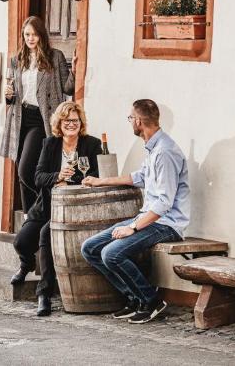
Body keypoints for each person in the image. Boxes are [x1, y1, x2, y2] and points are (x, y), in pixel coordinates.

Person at [80, 99, 189, 324]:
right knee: (90, 248)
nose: (130, 122)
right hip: (149, 218)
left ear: (139, 121)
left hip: (167, 224)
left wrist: (132, 227)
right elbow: (139, 177)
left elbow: (164, 203)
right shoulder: (153, 148)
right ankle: (134, 298)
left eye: (131, 118)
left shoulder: (165, 152)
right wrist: (101, 181)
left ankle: (151, 300)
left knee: (111, 254)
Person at [12, 101, 100, 317]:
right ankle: (26, 264)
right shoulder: (50, 144)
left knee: (46, 235)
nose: (72, 124)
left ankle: (44, 294)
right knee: (21, 241)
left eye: (75, 120)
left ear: (81, 123)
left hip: (71, 209)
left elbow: (96, 175)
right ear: (59, 123)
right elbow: (38, 176)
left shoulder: (92, 144)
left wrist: (79, 180)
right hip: (46, 207)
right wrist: (58, 176)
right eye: (67, 120)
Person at [0, 15, 76, 219]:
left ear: (41, 35)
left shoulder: (55, 57)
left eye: (34, 34)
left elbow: (68, 88)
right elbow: (13, 94)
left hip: (40, 119)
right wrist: (8, 96)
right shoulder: (17, 60)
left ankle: (43, 207)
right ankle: (28, 217)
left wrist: (75, 70)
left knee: (25, 170)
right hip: (18, 117)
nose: (30, 38)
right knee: (21, 170)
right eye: (27, 35)